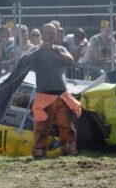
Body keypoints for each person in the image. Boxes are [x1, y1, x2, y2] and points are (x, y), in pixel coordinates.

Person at [29, 23, 80, 158]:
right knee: (42, 126)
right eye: (49, 33)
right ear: (43, 34)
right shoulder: (36, 50)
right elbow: (27, 60)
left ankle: (68, 150)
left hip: (62, 95)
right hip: (43, 95)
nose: (52, 35)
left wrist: (59, 54)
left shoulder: (61, 49)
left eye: (54, 33)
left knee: (66, 126)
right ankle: (39, 153)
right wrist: (40, 50)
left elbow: (71, 61)